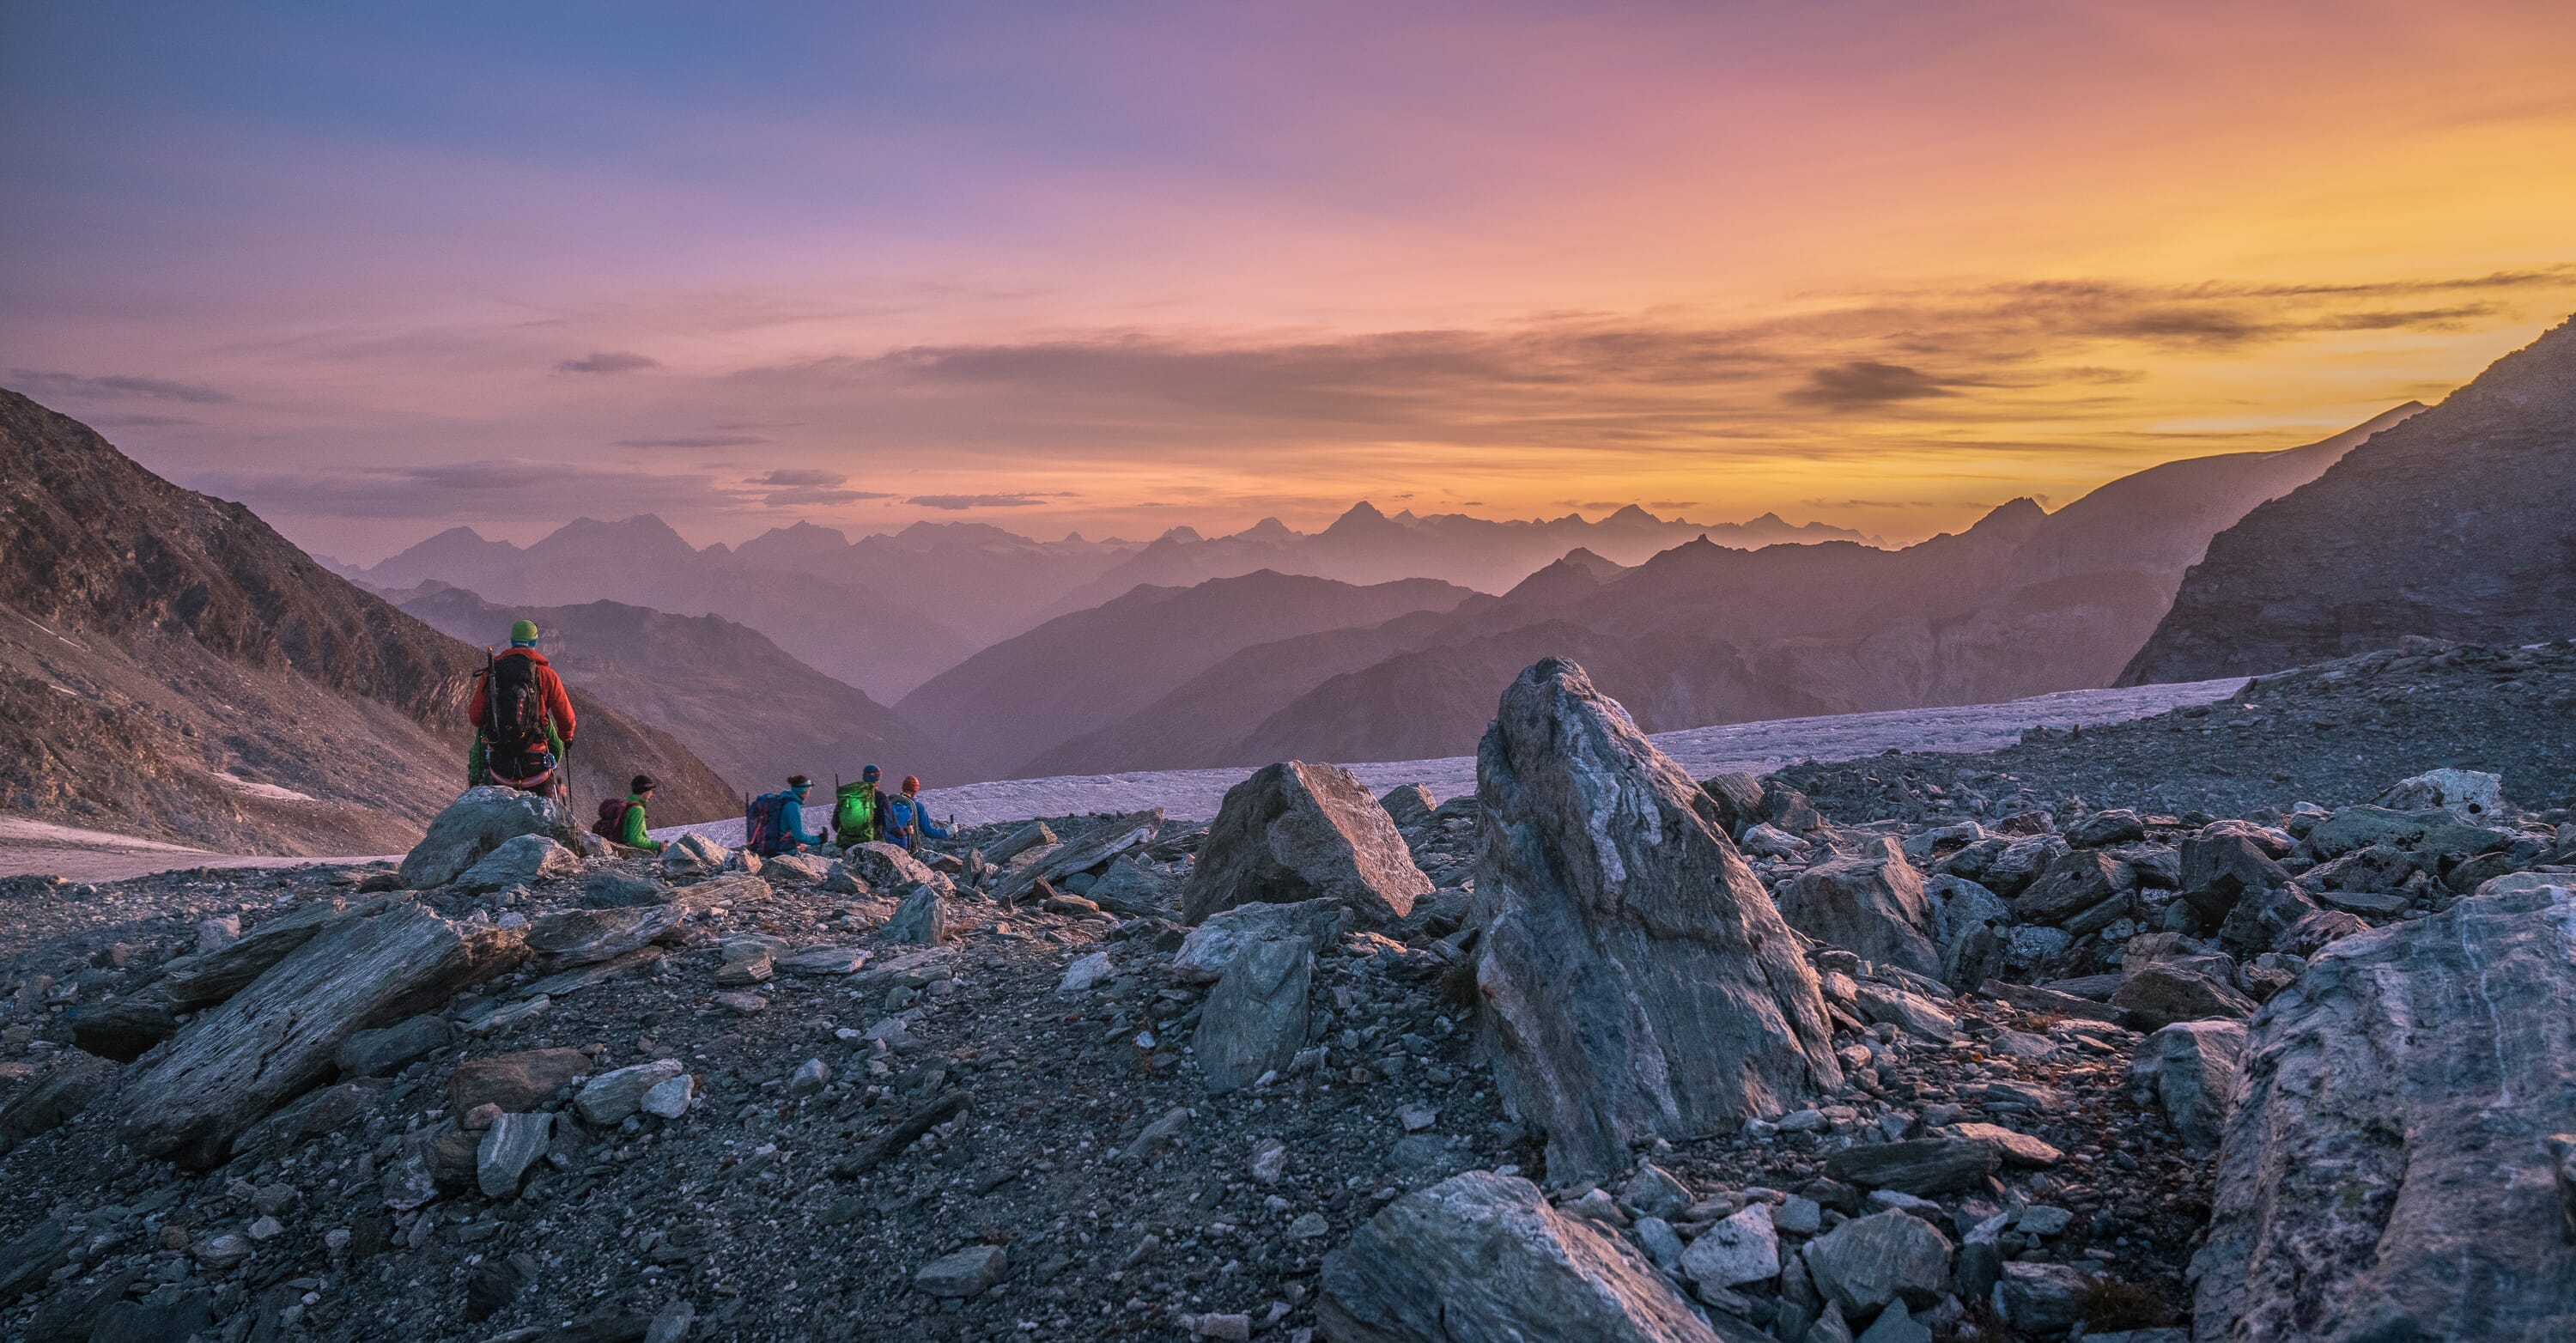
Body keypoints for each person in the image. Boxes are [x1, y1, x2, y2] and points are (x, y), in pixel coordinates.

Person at [467, 619, 576, 797]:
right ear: (534, 643)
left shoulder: (492, 673)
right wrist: (567, 736)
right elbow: (566, 718)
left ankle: (476, 784)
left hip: (500, 768)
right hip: (536, 769)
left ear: (511, 641)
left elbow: (475, 717)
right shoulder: (547, 675)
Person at [882, 775, 951, 853]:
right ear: (915, 790)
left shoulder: (890, 803)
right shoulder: (917, 806)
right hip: (908, 849)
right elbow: (929, 832)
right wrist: (948, 831)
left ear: (903, 788)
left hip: (886, 848)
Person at [596, 775, 664, 853]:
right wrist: (657, 845)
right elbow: (635, 839)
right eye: (651, 790)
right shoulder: (637, 810)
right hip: (627, 850)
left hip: (616, 847)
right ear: (644, 791)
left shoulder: (627, 803)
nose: (652, 793)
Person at [832, 764, 886, 847]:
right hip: (873, 844)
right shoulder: (880, 797)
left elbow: (835, 823)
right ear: (878, 778)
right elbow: (889, 822)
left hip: (848, 845)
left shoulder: (849, 795)